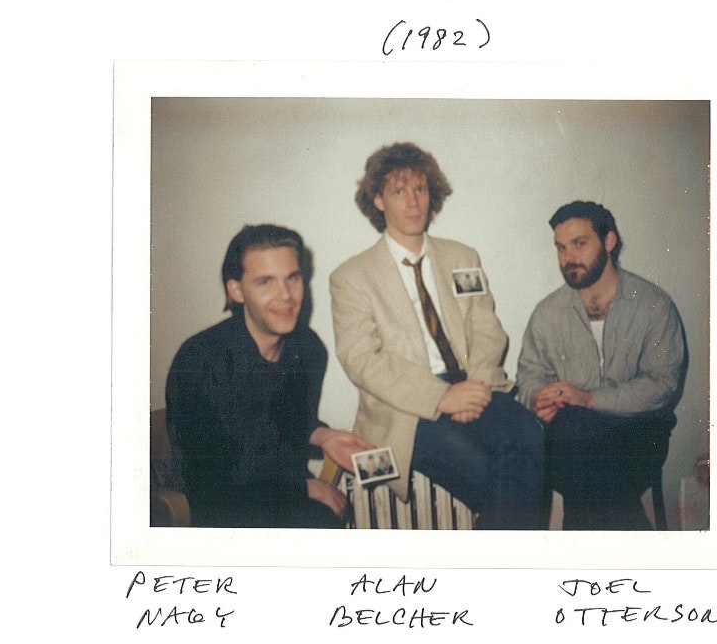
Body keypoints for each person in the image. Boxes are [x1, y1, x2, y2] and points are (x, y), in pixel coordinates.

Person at [330, 142, 545, 530]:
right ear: (378, 200)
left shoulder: (463, 258)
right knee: (499, 478)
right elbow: (363, 360)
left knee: (528, 433)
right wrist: (442, 397)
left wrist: (474, 388)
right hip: (410, 407)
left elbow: (485, 327)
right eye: (399, 191)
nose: (414, 202)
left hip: (477, 385)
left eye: (421, 189)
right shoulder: (352, 277)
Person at [165, 224, 374, 528]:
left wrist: (322, 436)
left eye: (293, 278)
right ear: (236, 290)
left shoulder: (308, 348)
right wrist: (299, 488)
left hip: (279, 490)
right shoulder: (200, 361)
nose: (286, 296)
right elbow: (211, 484)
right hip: (222, 512)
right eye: (266, 282)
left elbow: (283, 426)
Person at [516, 201, 688, 530]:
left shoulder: (652, 306)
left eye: (579, 244)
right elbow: (529, 377)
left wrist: (590, 398)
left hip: (639, 435)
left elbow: (663, 385)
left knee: (584, 463)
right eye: (561, 247)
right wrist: (538, 399)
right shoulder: (547, 313)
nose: (568, 258)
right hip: (573, 440)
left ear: (608, 241)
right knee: (575, 440)